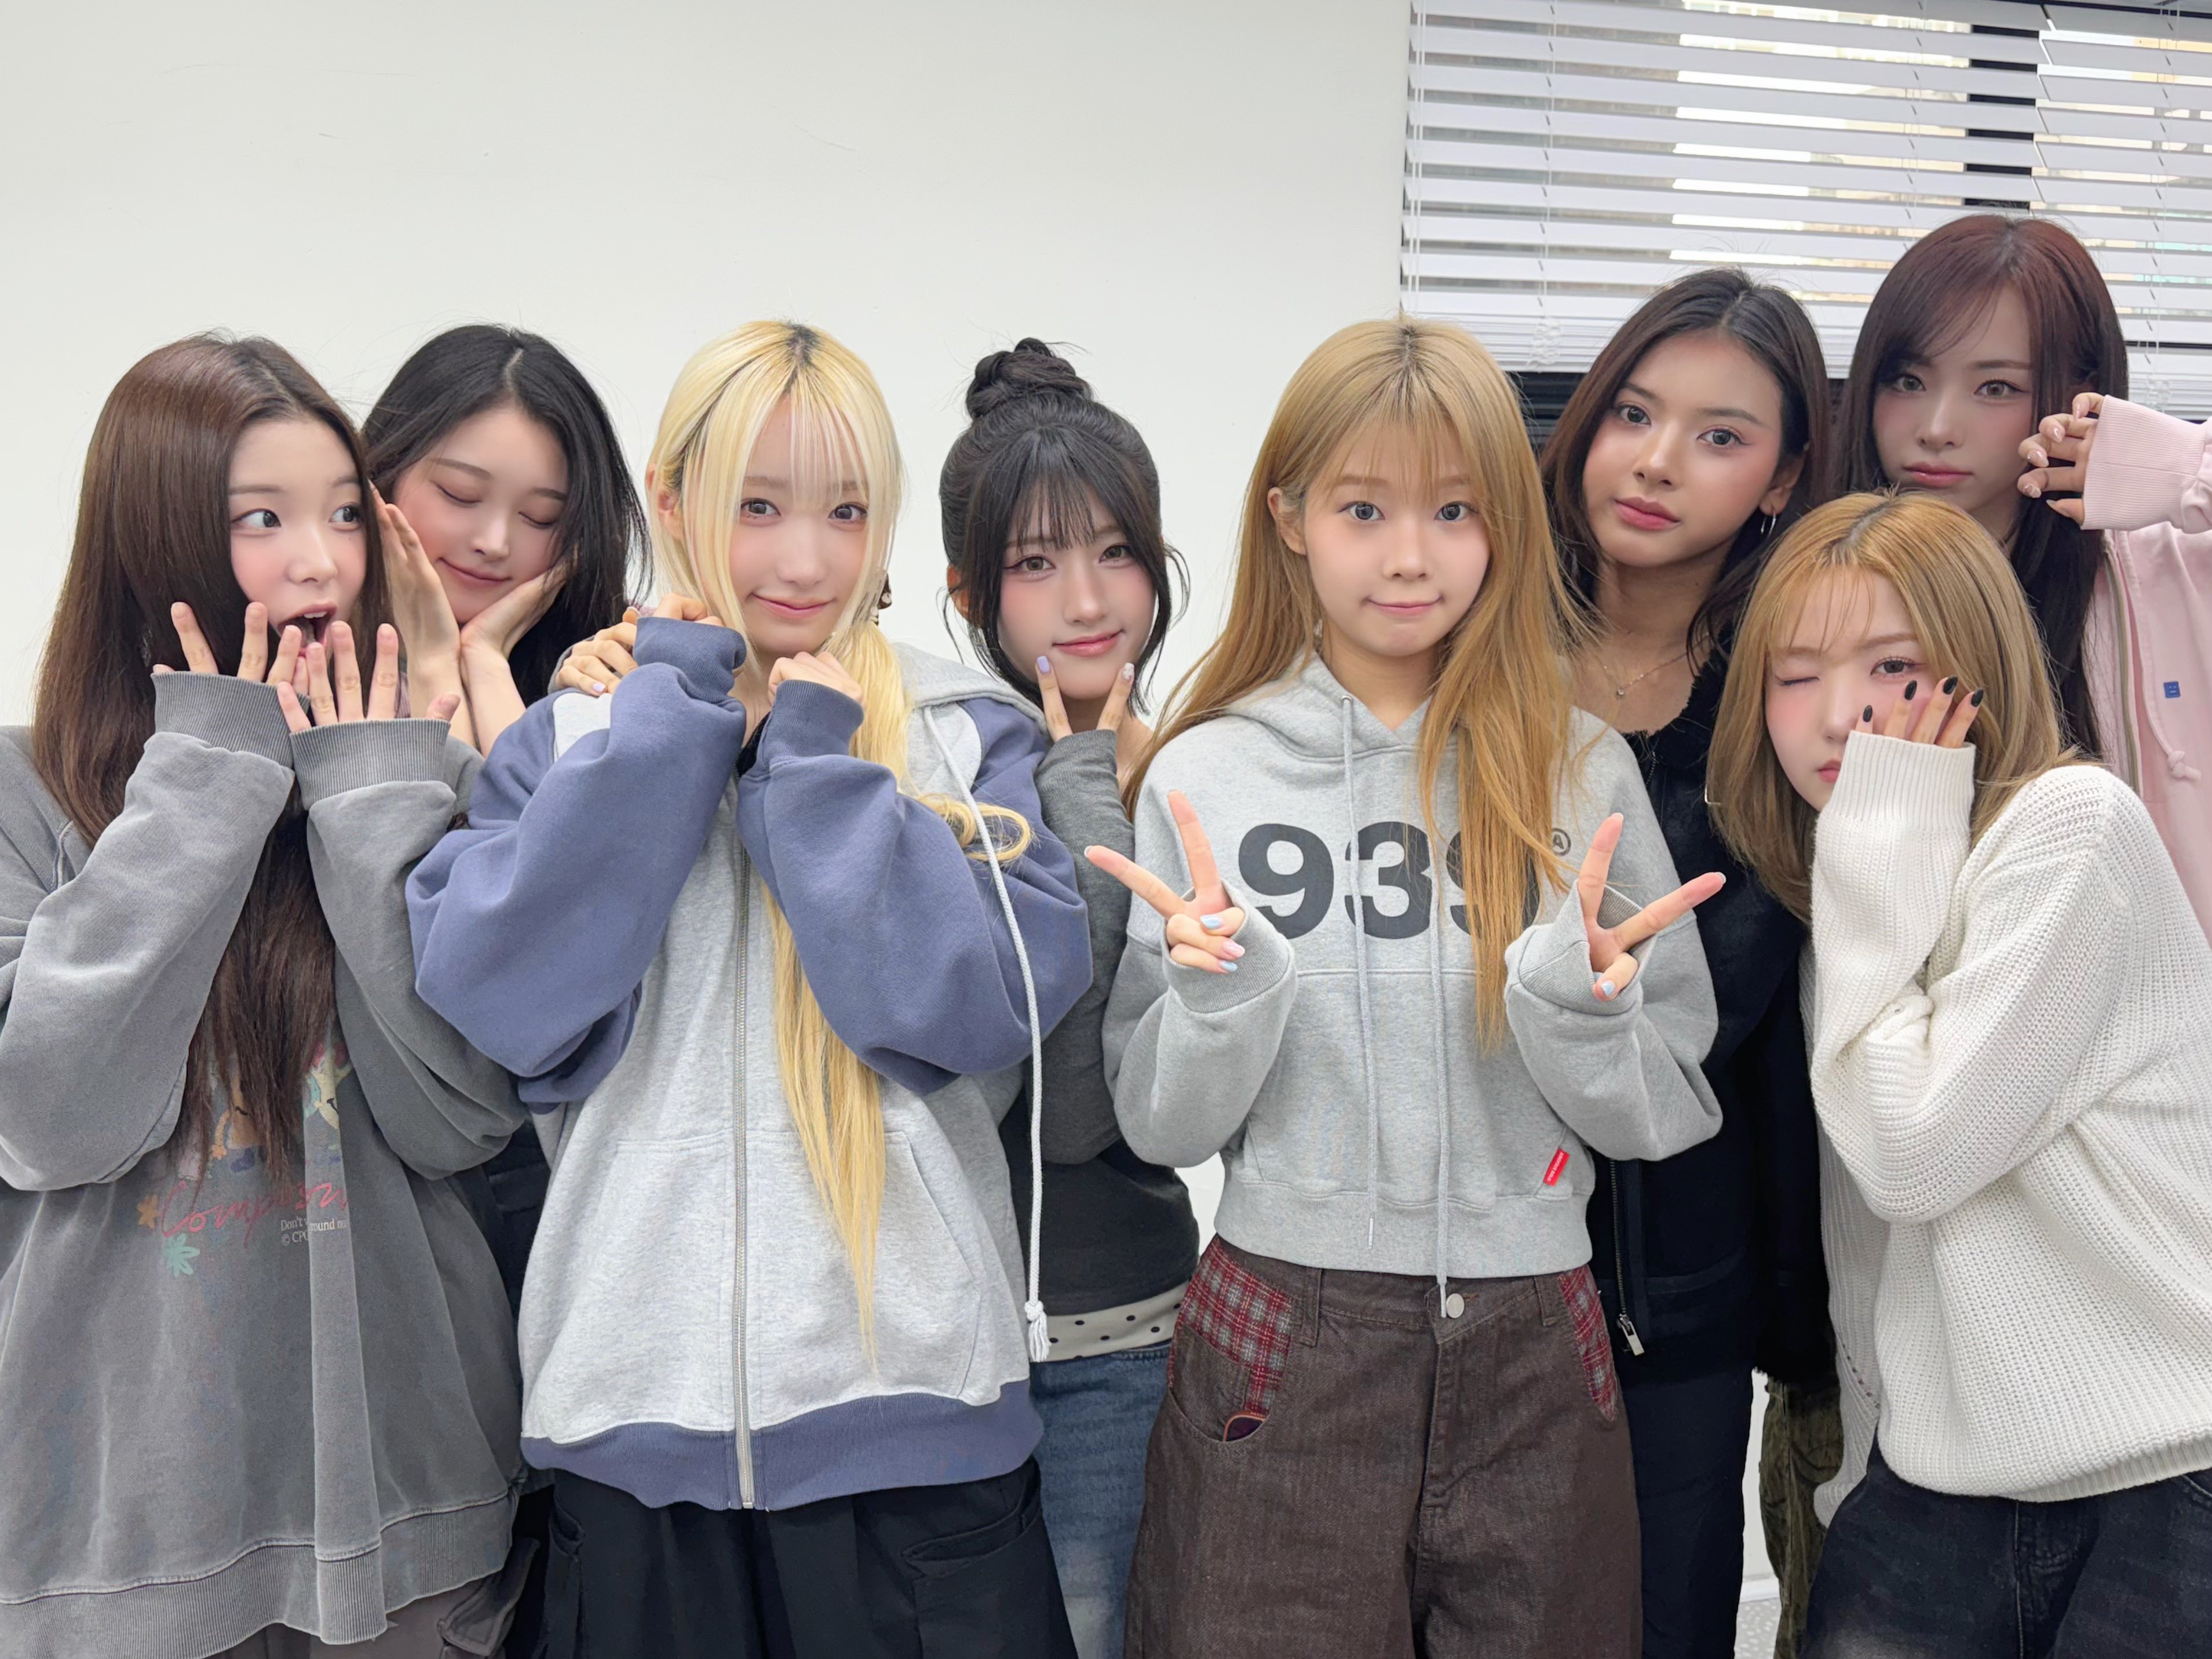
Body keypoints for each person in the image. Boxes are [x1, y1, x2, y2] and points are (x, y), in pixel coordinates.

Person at [407, 319, 1092, 1657]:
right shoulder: (580, 735)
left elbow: (976, 1009)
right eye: (758, 505)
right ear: (672, 500)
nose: (804, 559)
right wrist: (669, 730)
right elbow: (508, 1003)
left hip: (918, 1440)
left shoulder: (962, 736)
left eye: (845, 511)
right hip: (631, 1433)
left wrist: (819, 773)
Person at [1097, 316, 1726, 1658]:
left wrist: (1585, 1011)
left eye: (1453, 510)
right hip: (1283, 1339)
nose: (1407, 555)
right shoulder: (1208, 774)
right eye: (1362, 509)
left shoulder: (1580, 771)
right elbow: (1159, 1125)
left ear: (1504, 525)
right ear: (1289, 519)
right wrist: (1219, 1002)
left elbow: (1662, 1112)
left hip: (1536, 1341)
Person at [0, 335, 525, 1658]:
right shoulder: (21, 794)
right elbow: (49, 1121)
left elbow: (460, 1122)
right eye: (263, 521)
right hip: (113, 1550)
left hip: (411, 1522)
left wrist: (369, 801)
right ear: (154, 540)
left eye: (346, 515)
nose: (321, 565)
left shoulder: (407, 785)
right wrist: (208, 778)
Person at [1708, 488, 2212, 1655]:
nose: (1840, 715)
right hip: (1937, 1488)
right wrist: (1863, 1468)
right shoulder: (1873, 887)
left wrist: (1878, 845)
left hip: (2167, 1469)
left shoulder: (2068, 829)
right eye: (1794, 675)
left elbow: (1913, 1156)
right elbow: (1873, 1243)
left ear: (1976, 668)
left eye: (1893, 666)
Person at [1538, 267, 1833, 1658]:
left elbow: (1730, 1019)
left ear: (1782, 479)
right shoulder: (1476, 654)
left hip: (1686, 1292)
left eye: (1721, 436)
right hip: (1474, 1269)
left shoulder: (1788, 701)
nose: (1657, 461)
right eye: (1634, 413)